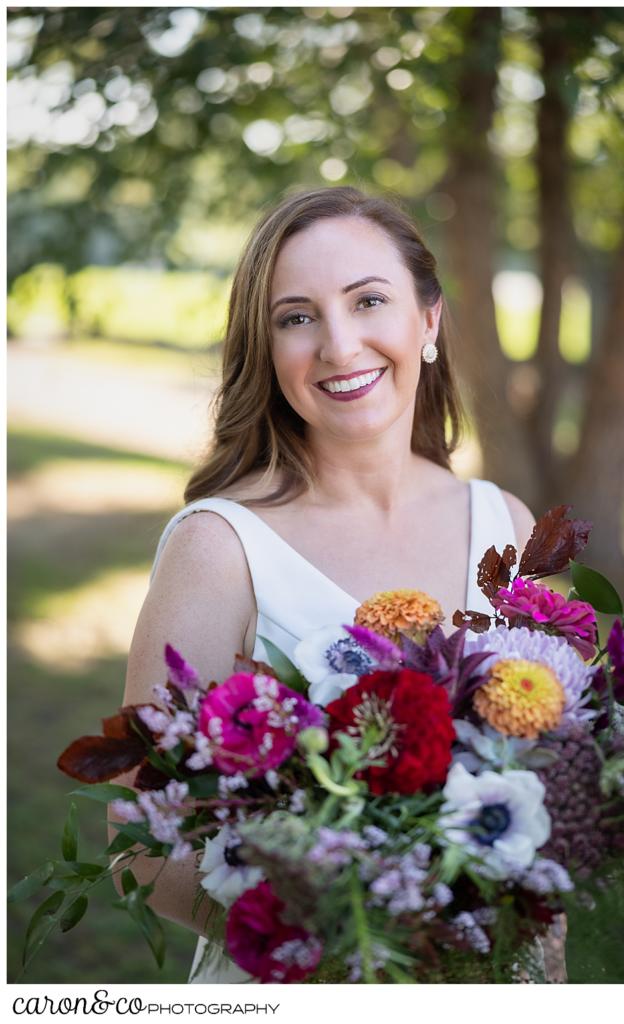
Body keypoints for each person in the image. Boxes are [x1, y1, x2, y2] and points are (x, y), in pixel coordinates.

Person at [109, 185, 546, 983]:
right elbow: (140, 839)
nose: (339, 347)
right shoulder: (220, 546)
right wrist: (346, 945)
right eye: (297, 317)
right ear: (266, 348)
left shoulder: (507, 525)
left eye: (368, 301)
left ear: (429, 322)